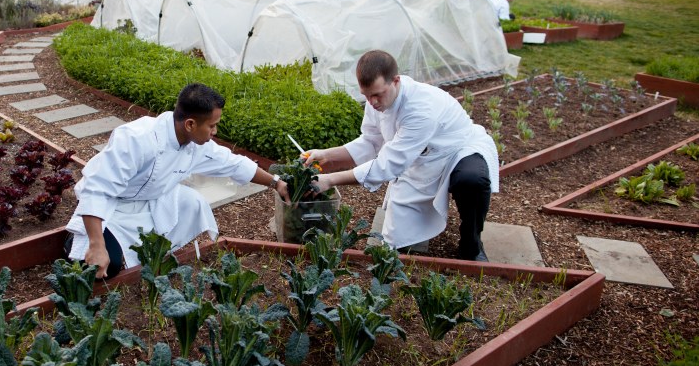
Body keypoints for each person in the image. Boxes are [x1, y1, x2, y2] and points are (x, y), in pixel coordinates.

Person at [65, 83, 289, 278]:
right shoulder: (138, 138)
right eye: (212, 126)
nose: (215, 131)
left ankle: (151, 252)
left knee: (191, 202)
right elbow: (98, 188)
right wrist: (96, 244)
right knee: (103, 266)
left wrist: (276, 183)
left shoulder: (195, 145)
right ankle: (75, 242)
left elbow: (233, 163)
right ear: (190, 124)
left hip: (150, 201)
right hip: (113, 206)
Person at [302, 51, 498, 262]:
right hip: (419, 159)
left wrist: (329, 179)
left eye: (377, 94)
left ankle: (472, 242)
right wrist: (327, 155)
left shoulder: (421, 108)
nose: (372, 102)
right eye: (366, 95)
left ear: (396, 81)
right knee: (397, 239)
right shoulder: (375, 102)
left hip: (456, 151)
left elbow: (388, 164)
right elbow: (371, 141)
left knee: (472, 181)